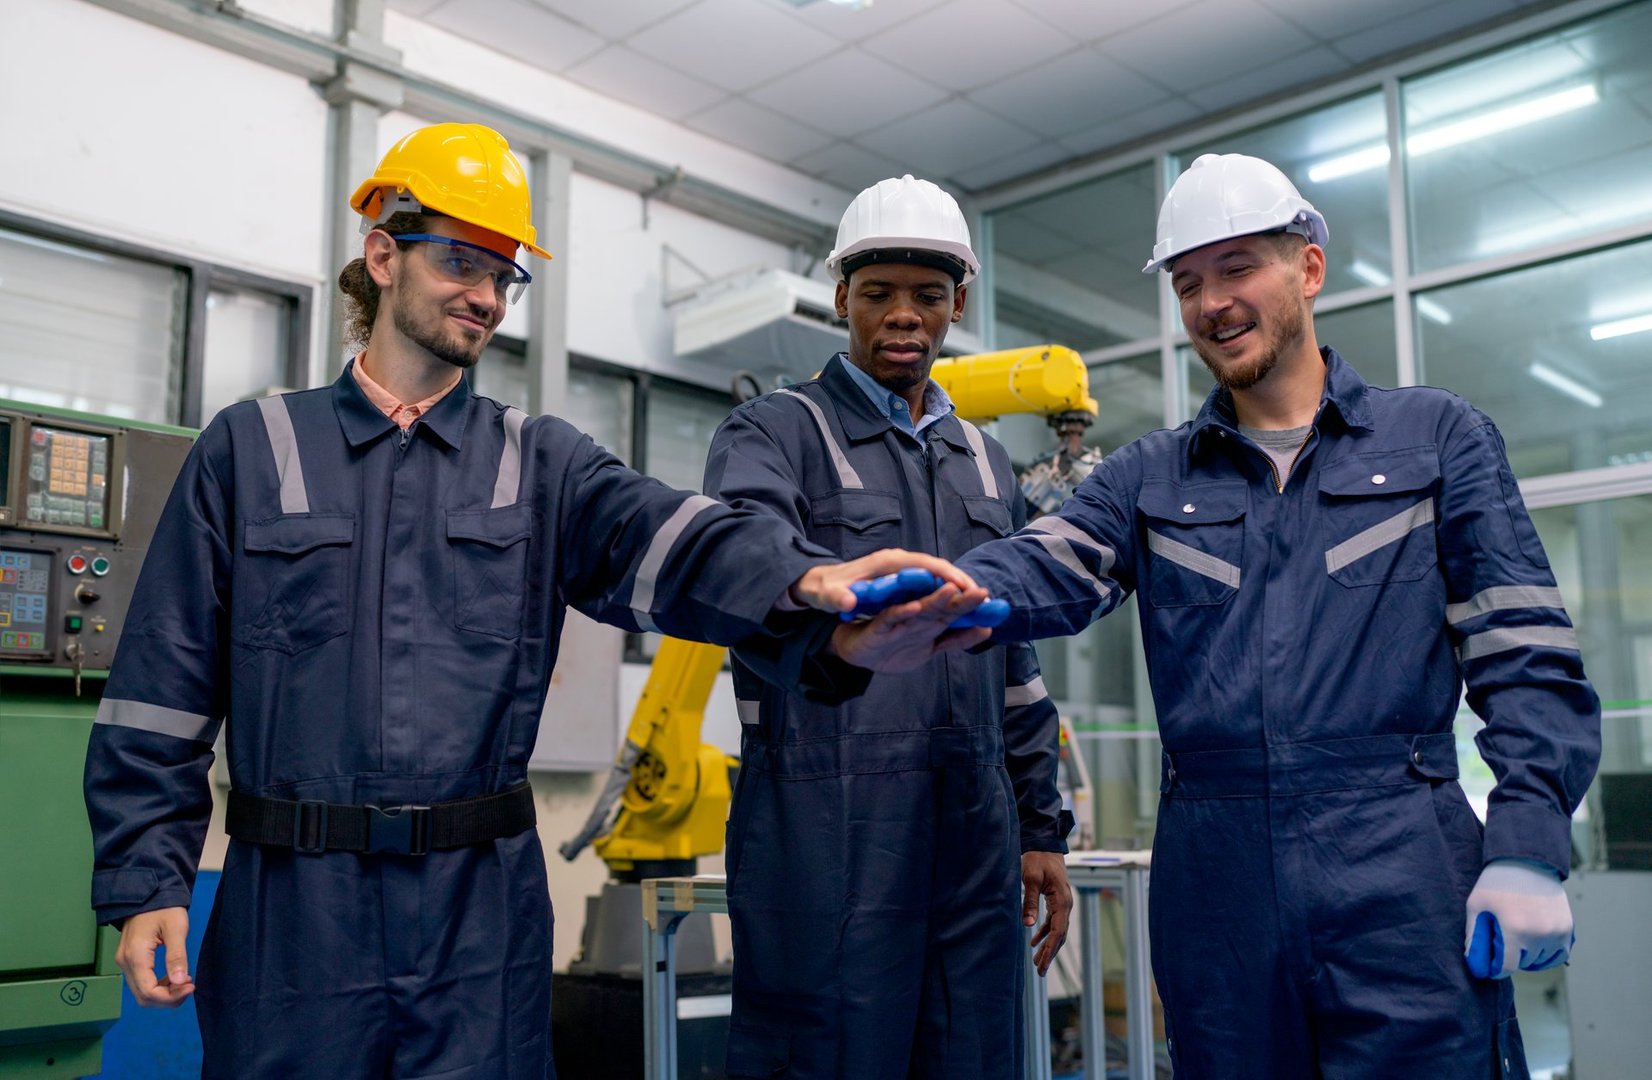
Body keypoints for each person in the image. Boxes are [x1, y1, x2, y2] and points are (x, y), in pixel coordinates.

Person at [82, 123, 988, 1080]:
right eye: (462, 261)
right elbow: (161, 682)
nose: (485, 295)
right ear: (382, 255)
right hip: (291, 912)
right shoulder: (252, 448)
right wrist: (149, 878)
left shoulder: (540, 463)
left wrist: (802, 578)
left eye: (504, 275)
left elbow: (669, 534)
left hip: (479, 918)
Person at [944, 153, 1601, 1078]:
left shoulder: (1438, 439)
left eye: (1239, 266)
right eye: (1188, 282)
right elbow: (1046, 563)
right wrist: (932, 595)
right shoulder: (1151, 476)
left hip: (1401, 867)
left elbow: (1524, 655)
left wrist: (1529, 844)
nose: (1212, 301)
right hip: (1217, 890)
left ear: (1308, 268)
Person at [703, 174, 1075, 1079]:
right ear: (841, 299)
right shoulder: (773, 431)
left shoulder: (985, 460)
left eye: (927, 295)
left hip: (972, 831)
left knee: (975, 1055)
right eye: (878, 294)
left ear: (956, 305)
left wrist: (1039, 826)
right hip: (825, 828)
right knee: (827, 1055)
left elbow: (1013, 656)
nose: (903, 316)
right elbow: (741, 574)